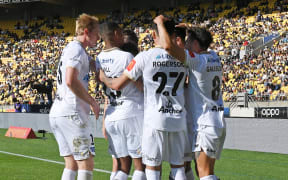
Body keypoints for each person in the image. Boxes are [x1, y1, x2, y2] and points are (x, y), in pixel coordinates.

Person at [99, 19, 188, 180]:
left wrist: (104, 78)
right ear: (174, 35)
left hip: (154, 120)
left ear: (154, 34)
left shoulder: (144, 57)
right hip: (178, 118)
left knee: (152, 168)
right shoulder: (184, 56)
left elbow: (117, 84)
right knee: (178, 167)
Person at [155, 15, 226, 180]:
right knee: (202, 168)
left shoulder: (198, 61)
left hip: (206, 124)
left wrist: (160, 24)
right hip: (217, 121)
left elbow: (168, 47)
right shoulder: (214, 56)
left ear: (195, 44)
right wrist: (189, 28)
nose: (185, 45)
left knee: (204, 172)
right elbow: (202, 40)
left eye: (188, 42)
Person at [49, 13, 100, 180]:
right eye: (96, 33)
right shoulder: (76, 49)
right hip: (72, 113)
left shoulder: (74, 49)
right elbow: (70, 80)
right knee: (86, 163)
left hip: (59, 112)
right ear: (86, 31)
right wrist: (92, 101)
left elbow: (89, 65)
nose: (98, 37)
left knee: (71, 163)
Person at [97, 22, 145, 180]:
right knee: (140, 167)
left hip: (112, 114)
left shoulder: (99, 59)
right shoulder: (127, 57)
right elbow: (141, 86)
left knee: (122, 167)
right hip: (131, 112)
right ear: (116, 33)